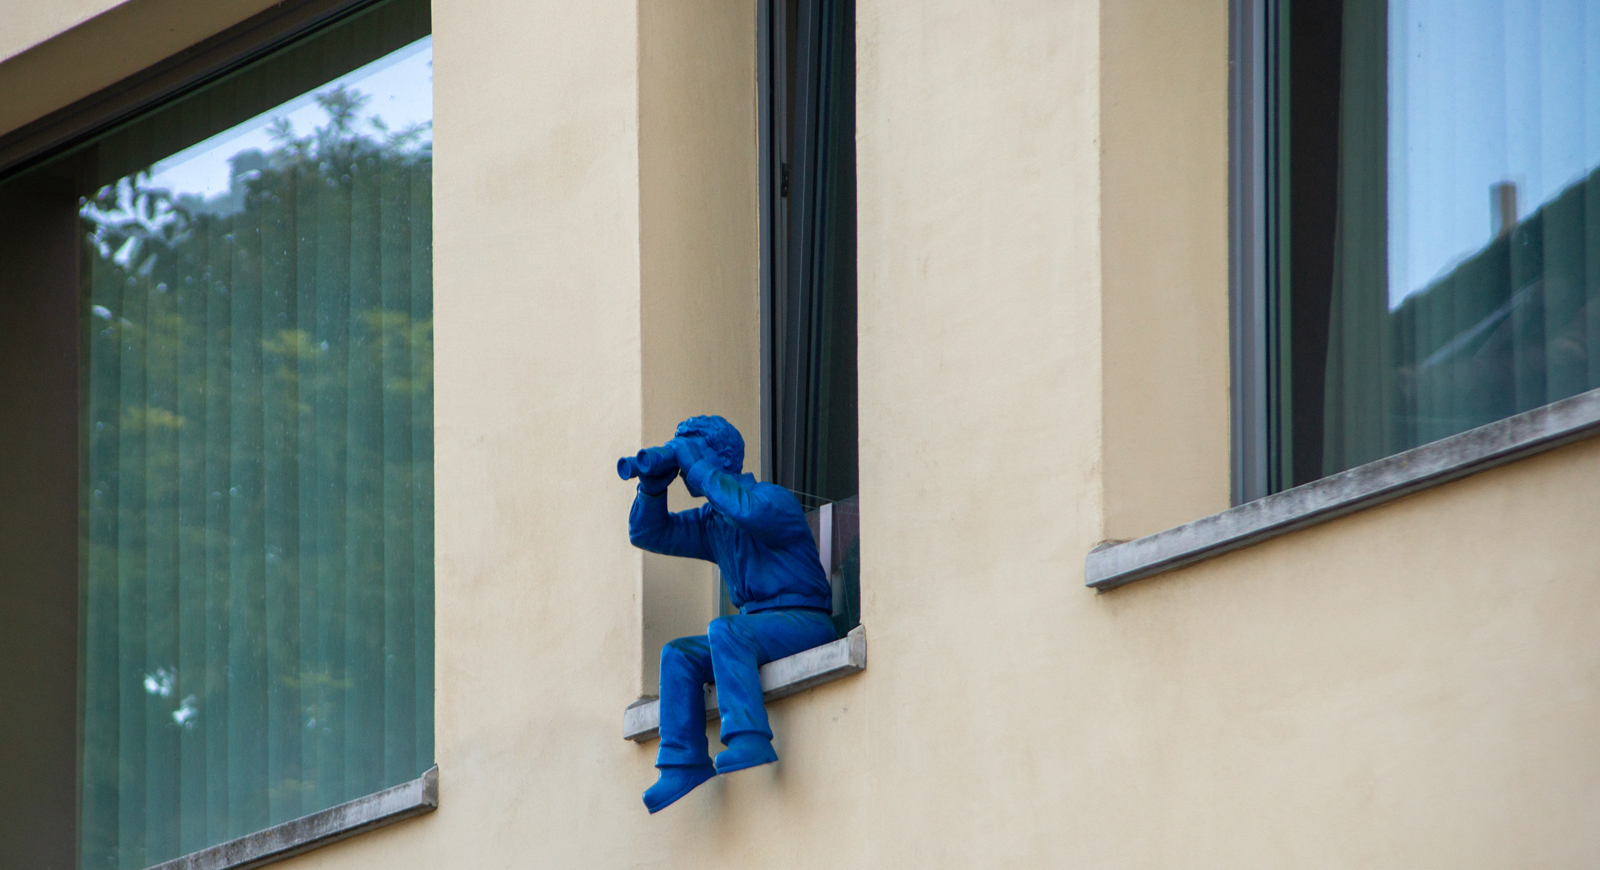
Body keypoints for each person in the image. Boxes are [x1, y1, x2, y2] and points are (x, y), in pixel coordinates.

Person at [625, 415, 835, 813]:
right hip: (755, 631)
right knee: (678, 653)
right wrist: (652, 487)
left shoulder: (772, 500)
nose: (683, 459)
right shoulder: (713, 522)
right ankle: (682, 762)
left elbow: (748, 513)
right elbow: (648, 533)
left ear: (721, 457)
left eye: (691, 449)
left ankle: (749, 736)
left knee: (726, 630)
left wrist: (701, 470)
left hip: (805, 622)